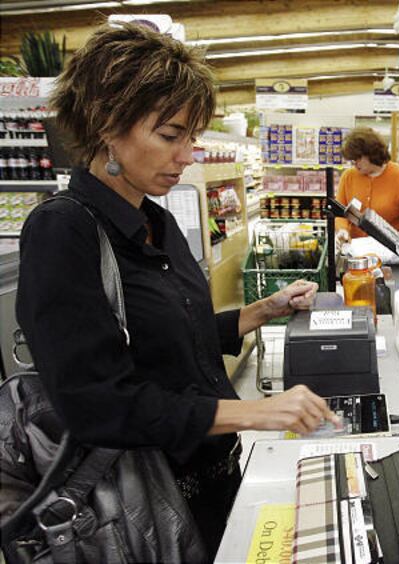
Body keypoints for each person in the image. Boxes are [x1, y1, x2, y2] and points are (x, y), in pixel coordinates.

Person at [14, 23, 338, 557]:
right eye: (170, 136)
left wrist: (259, 311)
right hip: (143, 506)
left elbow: (169, 343)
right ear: (106, 126)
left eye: (191, 137)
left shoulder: (156, 222)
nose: (187, 155)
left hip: (215, 479)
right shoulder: (64, 231)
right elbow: (96, 403)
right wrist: (258, 412)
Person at [335, 127, 399, 246]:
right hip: (357, 251)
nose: (354, 163)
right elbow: (340, 212)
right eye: (352, 160)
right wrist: (342, 230)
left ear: (371, 153)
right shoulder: (348, 176)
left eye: (358, 158)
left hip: (392, 251)